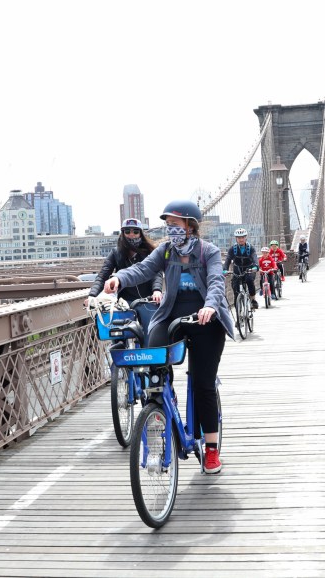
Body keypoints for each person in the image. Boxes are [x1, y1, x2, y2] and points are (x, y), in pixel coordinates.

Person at [103, 200, 234, 474]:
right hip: (172, 318)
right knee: (154, 367)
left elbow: (216, 282)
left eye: (175, 224)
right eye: (168, 225)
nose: (170, 229)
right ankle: (162, 406)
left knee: (203, 383)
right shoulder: (165, 252)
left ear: (190, 226)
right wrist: (120, 279)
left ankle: (211, 450)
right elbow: (142, 269)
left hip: (205, 321)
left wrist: (210, 306)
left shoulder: (208, 252)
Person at [86, 218, 163, 308]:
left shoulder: (149, 252)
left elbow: (156, 273)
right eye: (127, 231)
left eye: (135, 231)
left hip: (148, 300)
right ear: (122, 234)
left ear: (141, 234)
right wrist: (92, 295)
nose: (131, 234)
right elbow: (103, 275)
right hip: (125, 302)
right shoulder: (116, 253)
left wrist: (157, 290)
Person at [223, 228, 258, 309]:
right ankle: (239, 316)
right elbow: (228, 259)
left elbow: (254, 257)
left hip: (249, 269)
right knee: (235, 290)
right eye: (239, 238)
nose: (241, 239)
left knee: (249, 280)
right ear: (236, 238)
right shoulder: (232, 249)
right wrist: (224, 269)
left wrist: (256, 266)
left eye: (243, 237)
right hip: (237, 271)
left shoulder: (251, 248)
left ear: (246, 238)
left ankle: (253, 300)